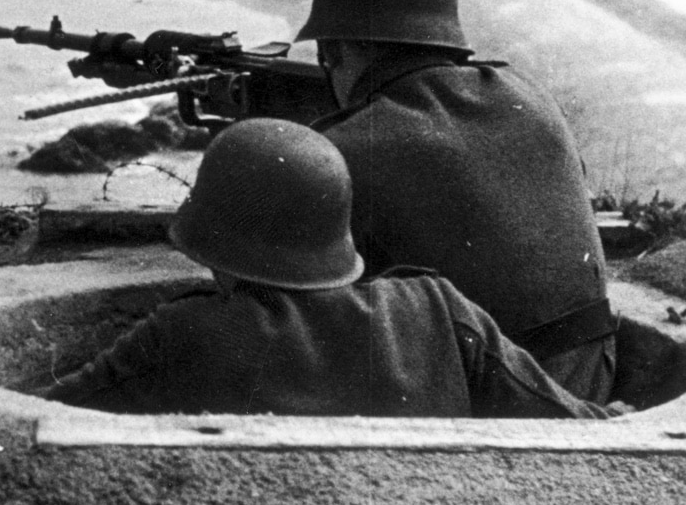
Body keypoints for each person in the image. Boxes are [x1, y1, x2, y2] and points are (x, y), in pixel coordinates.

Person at [39, 119, 621, 419]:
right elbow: (563, 414)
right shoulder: (436, 308)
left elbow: (50, 412)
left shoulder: (189, 332)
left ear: (216, 249)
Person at [295, 0, 614, 403]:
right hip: (590, 379)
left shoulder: (348, 145)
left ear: (342, 47)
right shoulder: (531, 98)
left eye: (328, 53)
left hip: (492, 401)